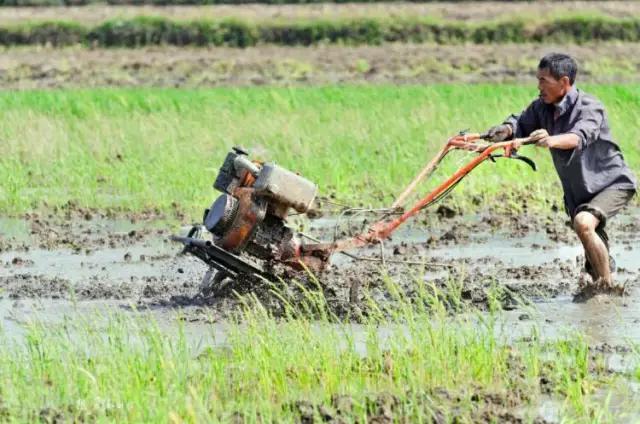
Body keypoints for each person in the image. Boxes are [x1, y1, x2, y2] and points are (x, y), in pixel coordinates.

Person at [485, 53, 636, 297]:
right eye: (538, 80)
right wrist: (506, 130)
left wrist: (550, 139)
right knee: (593, 261)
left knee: (584, 223)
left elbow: (578, 137)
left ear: (564, 82)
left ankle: (609, 292)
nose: (539, 86)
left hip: (611, 183)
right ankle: (602, 283)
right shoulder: (541, 108)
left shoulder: (590, 107)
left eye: (544, 80)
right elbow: (520, 123)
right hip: (580, 192)